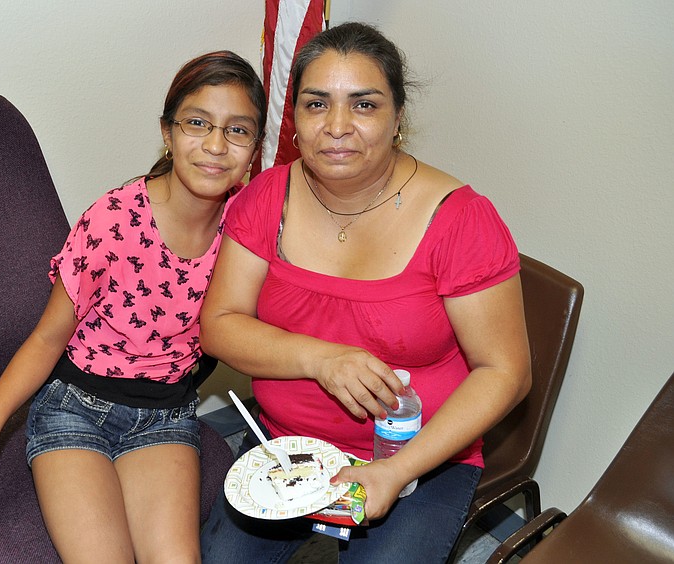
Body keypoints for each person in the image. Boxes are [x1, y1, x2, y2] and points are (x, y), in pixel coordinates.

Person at [0, 50, 265, 564]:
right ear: (167, 132)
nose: (214, 145)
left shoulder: (247, 230)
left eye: (237, 130)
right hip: (76, 411)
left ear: (256, 148)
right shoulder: (113, 221)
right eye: (197, 123)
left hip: (164, 415)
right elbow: (49, 337)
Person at [199, 22, 531, 563]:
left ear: (398, 117)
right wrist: (322, 358)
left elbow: (505, 372)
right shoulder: (267, 196)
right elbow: (220, 325)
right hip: (288, 446)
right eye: (315, 104)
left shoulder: (463, 219)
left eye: (364, 105)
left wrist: (395, 471)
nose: (336, 126)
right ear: (296, 120)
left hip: (420, 460)